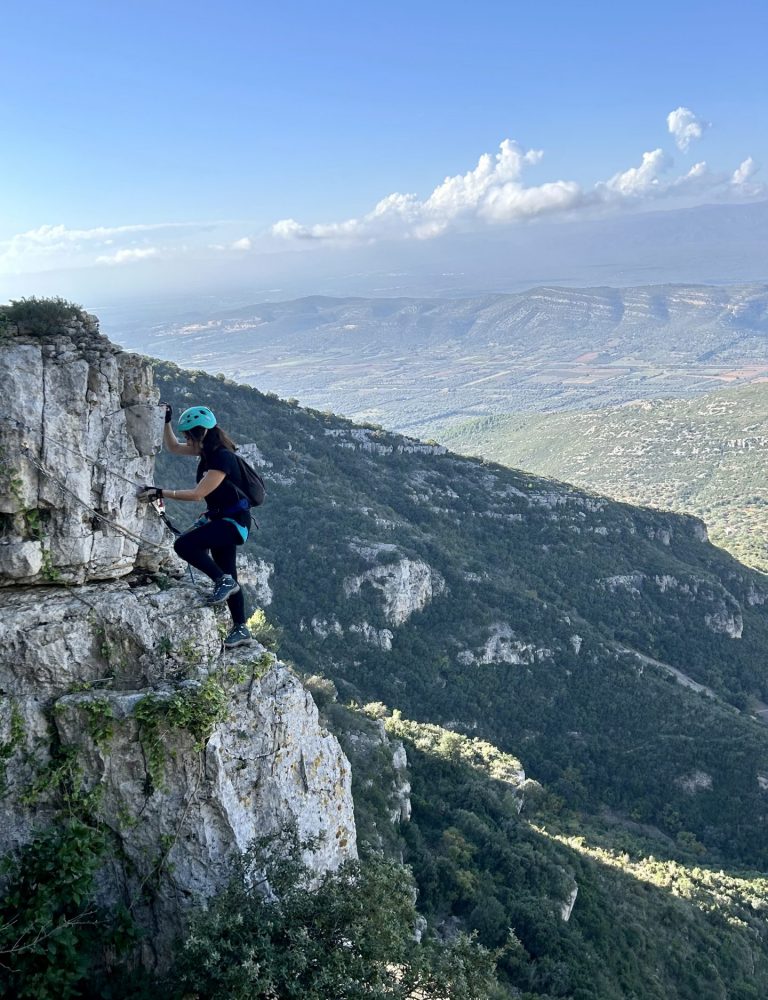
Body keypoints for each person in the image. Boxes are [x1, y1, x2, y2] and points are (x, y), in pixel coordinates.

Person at [138, 404, 252, 648]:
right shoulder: (208, 452)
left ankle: (223, 583)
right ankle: (241, 628)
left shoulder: (221, 457)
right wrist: (166, 422)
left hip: (232, 523)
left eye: (189, 436)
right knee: (228, 571)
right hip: (224, 521)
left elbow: (198, 494)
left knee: (184, 545)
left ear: (199, 435)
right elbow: (172, 447)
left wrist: (160, 492)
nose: (186, 440)